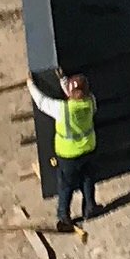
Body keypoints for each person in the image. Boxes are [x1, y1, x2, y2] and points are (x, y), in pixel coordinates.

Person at [30, 68, 98, 229]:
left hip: (68, 156)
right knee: (87, 179)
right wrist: (63, 80)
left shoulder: (62, 110)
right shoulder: (91, 101)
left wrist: (30, 84)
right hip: (88, 150)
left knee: (65, 185)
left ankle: (64, 217)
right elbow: (74, 93)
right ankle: (90, 208)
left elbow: (41, 102)